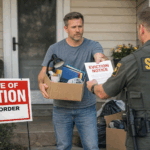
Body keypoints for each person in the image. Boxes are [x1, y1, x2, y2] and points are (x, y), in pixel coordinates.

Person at [38, 12, 108, 150]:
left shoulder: (92, 45)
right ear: (66, 29)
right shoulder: (55, 48)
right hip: (61, 108)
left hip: (86, 108)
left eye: (80, 26)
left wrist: (101, 59)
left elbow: (98, 55)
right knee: (63, 146)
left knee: (92, 146)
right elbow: (42, 74)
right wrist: (41, 83)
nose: (78, 30)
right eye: (74, 27)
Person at [87, 8, 150, 150]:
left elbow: (103, 93)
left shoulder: (131, 61)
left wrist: (92, 86)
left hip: (144, 136)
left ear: (141, 29)